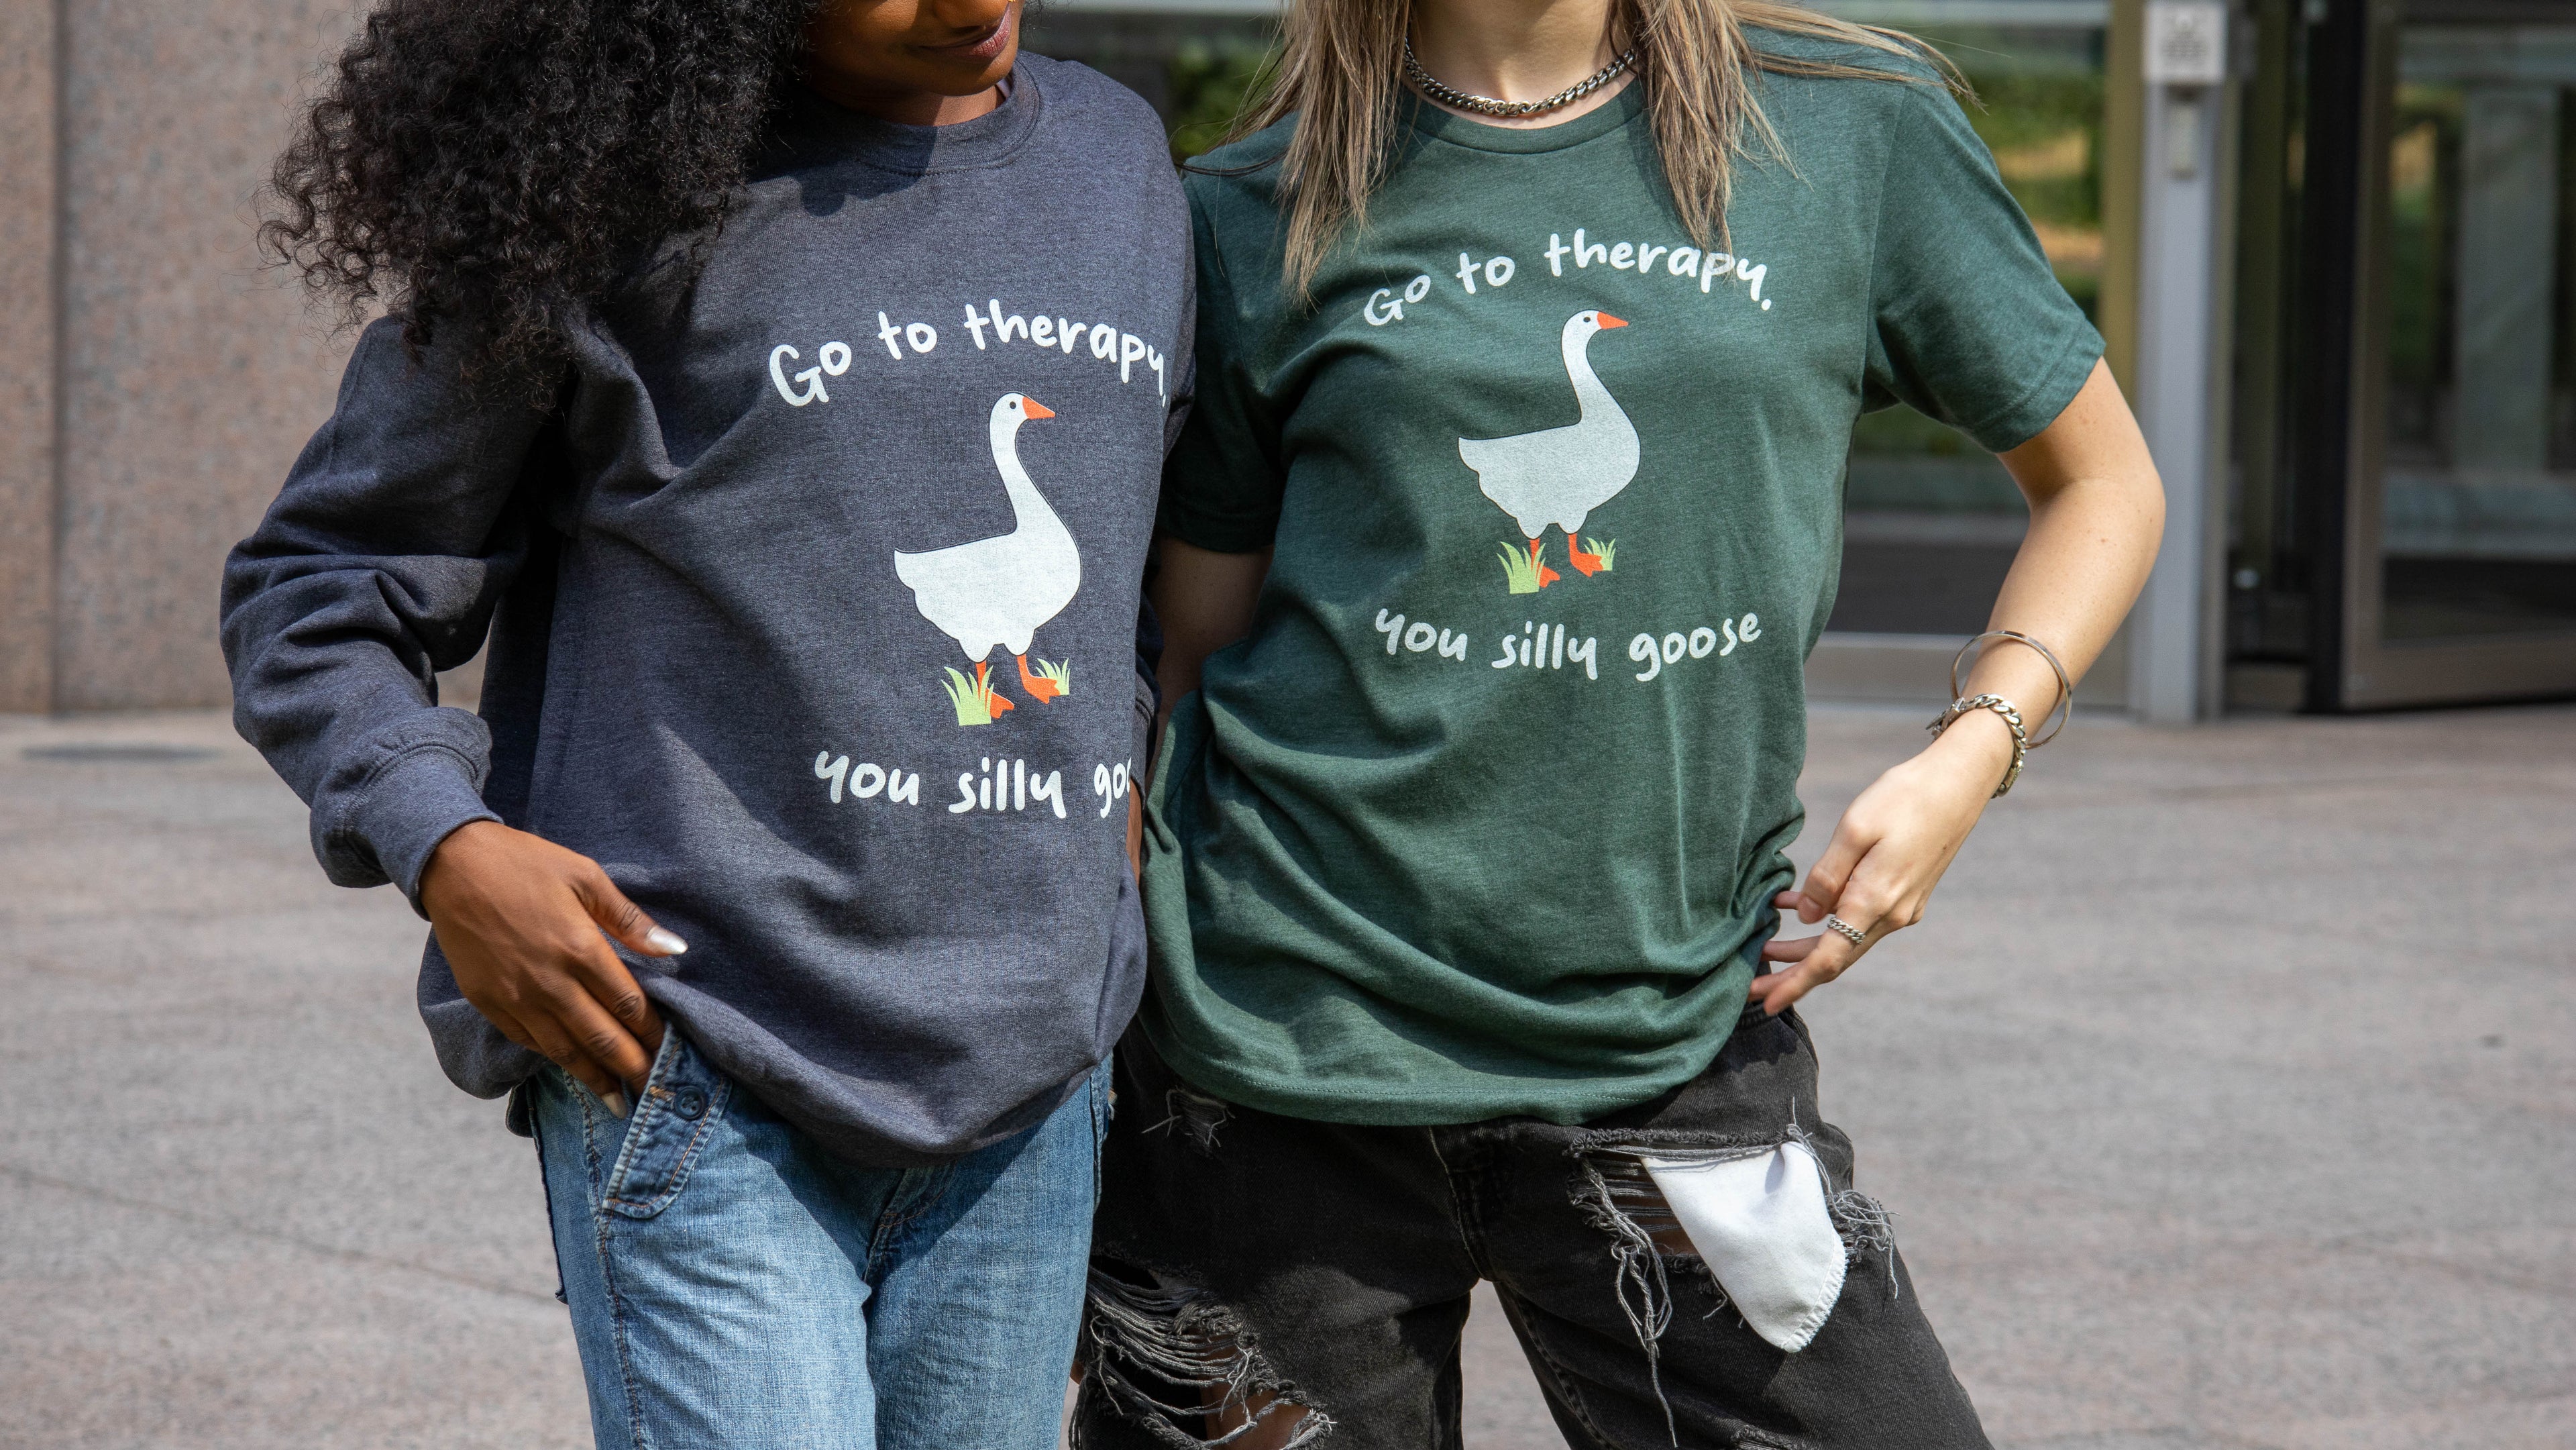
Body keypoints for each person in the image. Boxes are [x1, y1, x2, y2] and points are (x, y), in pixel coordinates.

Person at [1074, 1, 2163, 1446]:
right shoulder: (1255, 201)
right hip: (1279, 1056)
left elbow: (2106, 483)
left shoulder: (1846, 127)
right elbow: (1200, 644)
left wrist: (1971, 753)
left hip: (1676, 1031)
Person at [223, 2, 1187, 1445]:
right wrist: (449, 846)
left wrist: (1104, 812)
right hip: (698, 1068)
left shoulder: (1119, 163)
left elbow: (1133, 550)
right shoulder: (610, 194)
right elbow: (320, 584)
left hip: (1029, 1100)